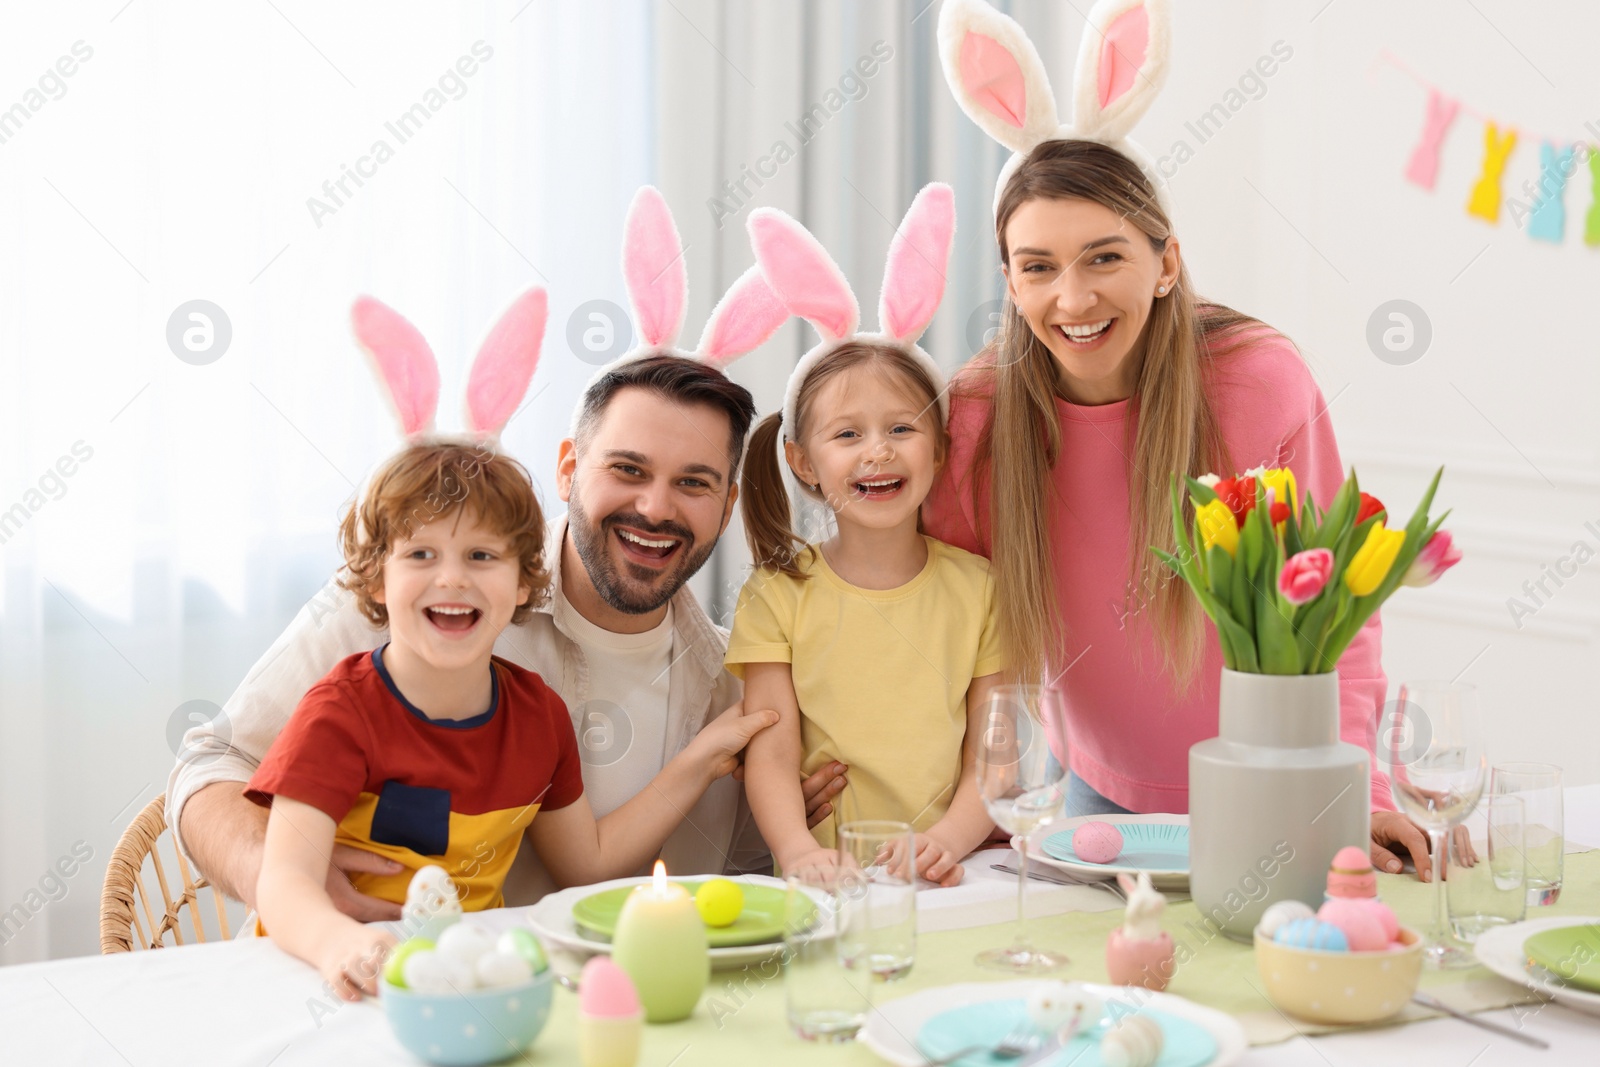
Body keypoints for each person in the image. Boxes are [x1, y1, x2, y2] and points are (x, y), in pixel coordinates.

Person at [930, 0, 1448, 880]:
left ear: (1165, 261)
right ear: (1008, 279)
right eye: (1039, 266)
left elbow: (1337, 618)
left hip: (1272, 785)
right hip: (1091, 795)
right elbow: (939, 617)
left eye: (1105, 257)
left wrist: (1365, 788)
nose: (1074, 298)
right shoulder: (979, 416)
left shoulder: (1257, 382)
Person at [167, 353, 846, 920]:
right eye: (627, 470)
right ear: (568, 469)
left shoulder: (739, 686)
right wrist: (289, 883)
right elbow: (211, 761)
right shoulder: (420, 600)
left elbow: (742, 888)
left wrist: (788, 816)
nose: (654, 508)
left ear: (727, 504)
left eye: (693, 483)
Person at [252, 443, 744, 998]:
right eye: (420, 555)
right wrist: (339, 946)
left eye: (481, 556)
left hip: (467, 985)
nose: (452, 579)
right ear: (375, 581)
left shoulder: (539, 717)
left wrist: (705, 756)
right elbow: (284, 881)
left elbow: (587, 865)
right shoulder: (339, 713)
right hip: (328, 981)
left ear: (523, 586)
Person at [727, 186, 1004, 887]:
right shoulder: (776, 594)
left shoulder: (980, 589)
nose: (877, 452)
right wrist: (795, 849)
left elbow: (996, 752)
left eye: (901, 429)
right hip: (832, 878)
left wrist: (948, 839)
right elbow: (770, 749)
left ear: (940, 448)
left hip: (954, 873)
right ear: (802, 461)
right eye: (847, 434)